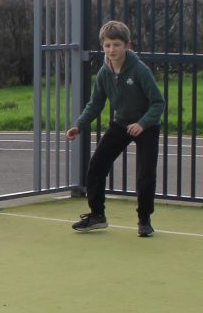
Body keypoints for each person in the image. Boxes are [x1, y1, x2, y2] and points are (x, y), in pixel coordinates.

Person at [64, 19, 166, 238]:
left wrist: (143, 123)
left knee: (145, 174)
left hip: (146, 126)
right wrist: (78, 126)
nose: (112, 50)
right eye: (107, 45)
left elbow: (158, 102)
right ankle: (97, 215)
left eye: (116, 45)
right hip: (121, 124)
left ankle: (144, 220)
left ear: (127, 46)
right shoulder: (104, 73)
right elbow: (95, 104)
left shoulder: (140, 70)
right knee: (97, 165)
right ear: (103, 46)